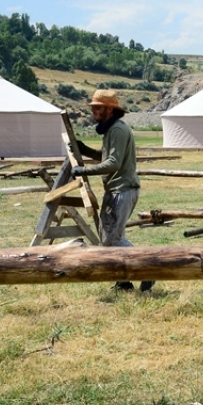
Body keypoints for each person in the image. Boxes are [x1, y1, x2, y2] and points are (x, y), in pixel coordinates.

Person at [72, 90, 152, 293]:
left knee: (113, 238)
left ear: (110, 109)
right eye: (93, 108)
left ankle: (148, 270)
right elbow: (106, 157)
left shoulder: (117, 130)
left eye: (98, 108)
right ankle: (124, 282)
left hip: (121, 190)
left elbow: (113, 163)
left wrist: (84, 170)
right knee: (108, 238)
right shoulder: (112, 130)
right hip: (118, 189)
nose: (94, 112)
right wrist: (86, 151)